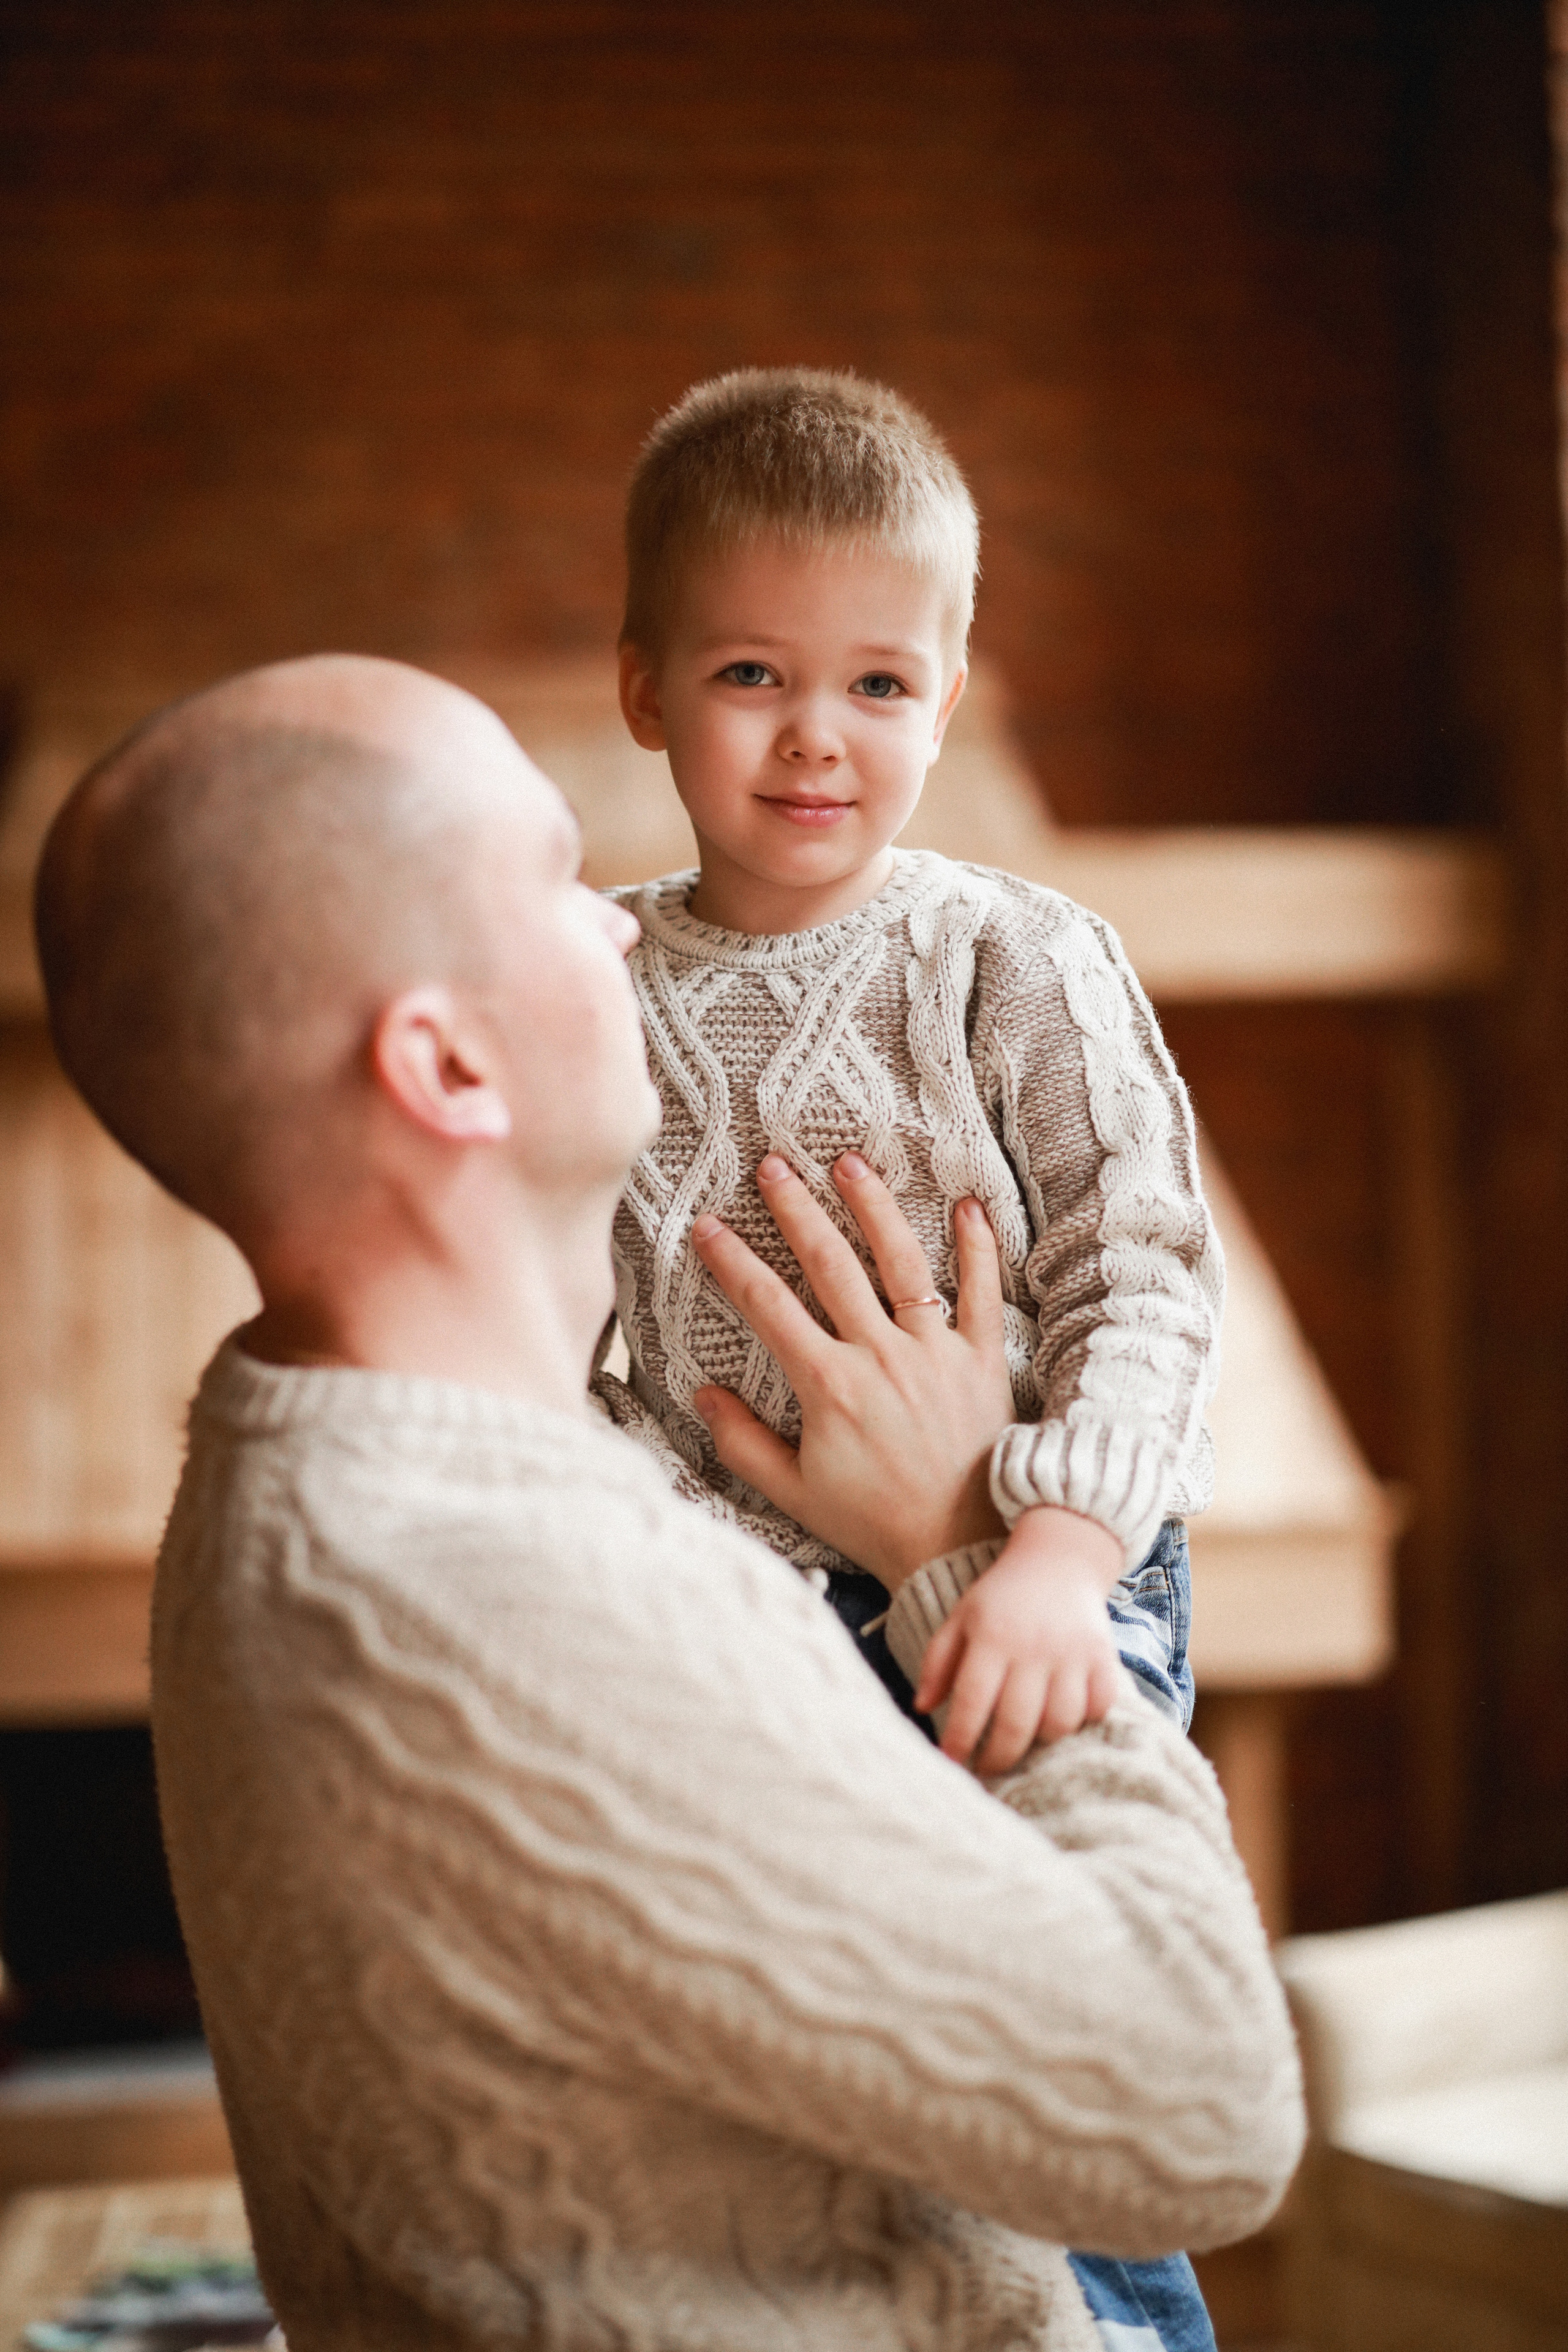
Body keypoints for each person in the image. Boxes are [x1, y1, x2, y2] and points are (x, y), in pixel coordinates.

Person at [35, 655, 1302, 2352]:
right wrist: (966, 1555)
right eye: (560, 880)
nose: (625, 925)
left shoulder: (289, 1462)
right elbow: (1205, 2105)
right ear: (448, 1066)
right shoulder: (515, 1601)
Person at [606, 368, 1223, 1792]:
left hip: (1025, 1561)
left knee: (1052, 1920)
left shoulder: (1014, 956)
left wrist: (1063, 1557)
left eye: (876, 684)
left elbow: (1139, 1275)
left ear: (940, 703)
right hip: (719, 1615)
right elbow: (550, 1344)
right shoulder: (592, 983)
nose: (816, 733)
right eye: (750, 672)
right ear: (646, 687)